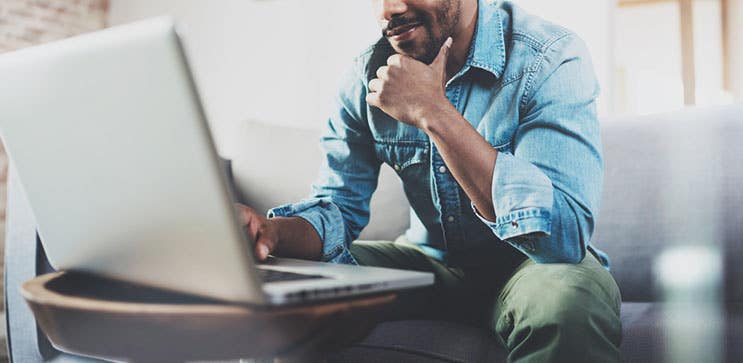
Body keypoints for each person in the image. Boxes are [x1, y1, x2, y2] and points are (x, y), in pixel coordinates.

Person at [237, 0, 622, 361]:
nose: (390, 10)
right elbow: (338, 206)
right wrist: (271, 232)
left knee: (567, 301)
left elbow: (564, 237)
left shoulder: (548, 57)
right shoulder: (366, 75)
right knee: (290, 286)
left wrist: (433, 111)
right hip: (428, 263)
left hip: (533, 264)